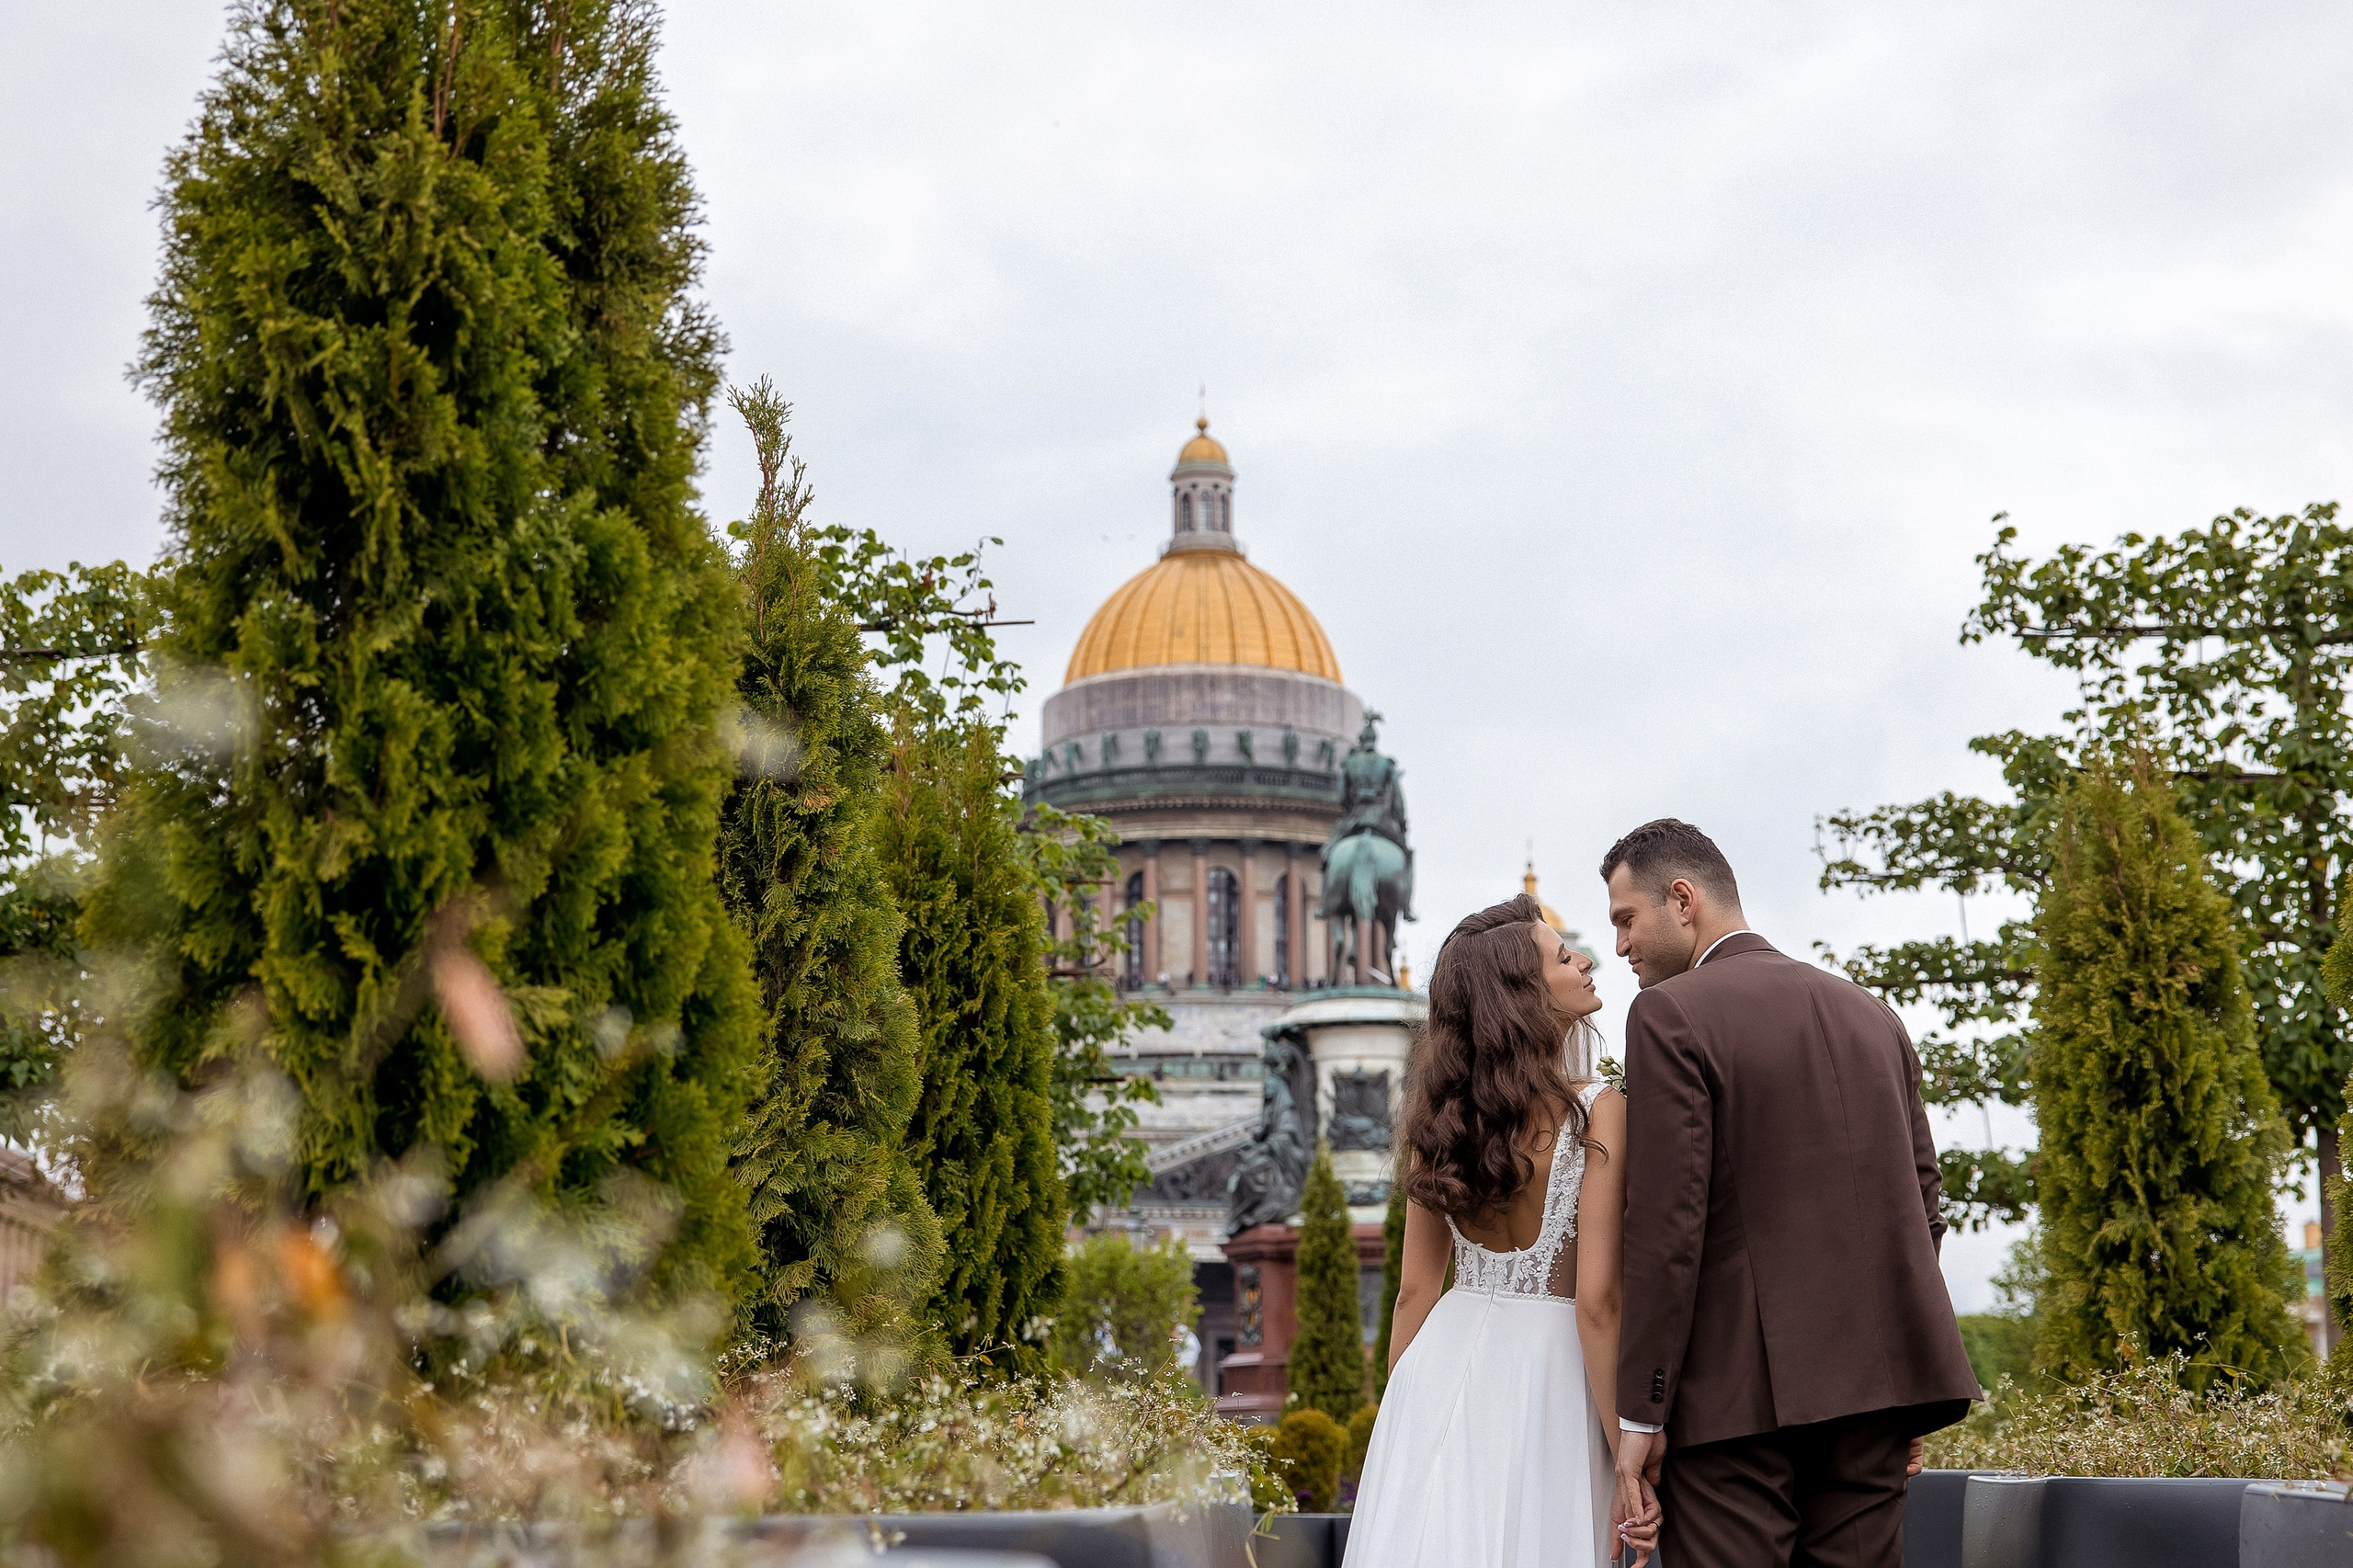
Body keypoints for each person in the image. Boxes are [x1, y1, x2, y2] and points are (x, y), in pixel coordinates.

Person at [1600, 819, 1981, 1568]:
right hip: (1874, 1401)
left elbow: (1667, 1228)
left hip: (1732, 1412)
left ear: (1683, 899)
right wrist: (1892, 1369)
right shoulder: (1874, 1015)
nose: (1620, 947)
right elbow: (1923, 1204)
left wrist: (1640, 1414)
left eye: (1626, 919)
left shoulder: (1669, 1014)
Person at [1346, 894, 1659, 1568]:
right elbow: (1599, 1305)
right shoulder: (1602, 1110)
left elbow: (1414, 1293)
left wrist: (1399, 1422)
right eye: (1561, 953)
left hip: (1438, 1366)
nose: (1583, 956)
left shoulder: (1438, 1119)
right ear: (1521, 995)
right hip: (1552, 1380)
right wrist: (1626, 1458)